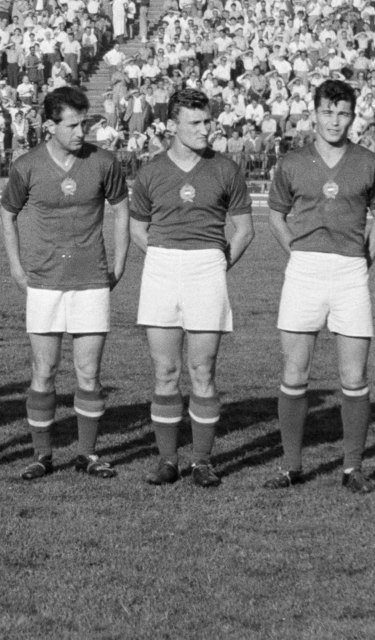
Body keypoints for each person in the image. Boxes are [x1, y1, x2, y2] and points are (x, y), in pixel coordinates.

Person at [264, 79, 375, 493]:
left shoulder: (370, 162)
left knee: (354, 376)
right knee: (294, 372)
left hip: (351, 272)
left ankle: (353, 468)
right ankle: (291, 465)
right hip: (304, 270)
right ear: (314, 113)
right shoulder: (292, 162)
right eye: (327, 112)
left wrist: (363, 258)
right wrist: (298, 253)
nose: (335, 121)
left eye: (343, 113)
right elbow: (277, 216)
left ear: (353, 116)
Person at [1, 85, 130, 480]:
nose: (81, 132)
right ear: (49, 126)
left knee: (88, 373)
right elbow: (7, 214)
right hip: (44, 281)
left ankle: (87, 454)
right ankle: (43, 454)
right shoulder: (27, 166)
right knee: (44, 370)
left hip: (91, 280)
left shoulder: (104, 162)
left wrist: (119, 265)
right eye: (72, 125)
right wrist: (17, 269)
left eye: (84, 123)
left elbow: (122, 211)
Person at [127, 87, 253, 488]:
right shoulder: (151, 171)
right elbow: (137, 228)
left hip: (207, 267)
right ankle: (168, 460)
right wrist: (166, 255)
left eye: (208, 121)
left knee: (203, 368)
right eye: (195, 122)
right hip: (162, 267)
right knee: (165, 370)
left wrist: (216, 263)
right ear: (172, 125)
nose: (205, 129)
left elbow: (245, 230)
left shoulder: (226, 168)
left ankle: (201, 460)